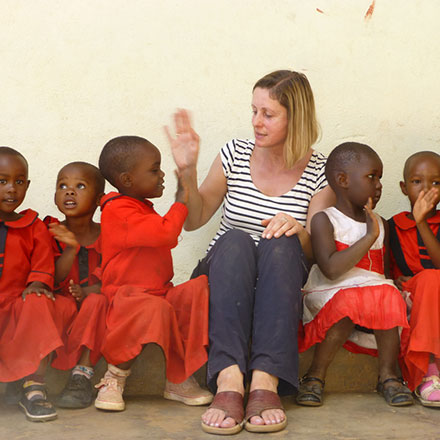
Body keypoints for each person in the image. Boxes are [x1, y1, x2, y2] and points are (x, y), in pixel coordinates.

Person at [165, 70, 334, 434]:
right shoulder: (234, 154)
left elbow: (319, 250)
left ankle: (264, 381)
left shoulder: (320, 171)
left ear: (296, 117)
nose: (257, 122)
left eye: (268, 114)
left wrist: (299, 229)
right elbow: (194, 220)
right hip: (226, 273)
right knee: (238, 240)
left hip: (279, 278)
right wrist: (188, 173)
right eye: (254, 111)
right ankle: (228, 381)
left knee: (281, 241)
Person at [94, 136, 212, 411]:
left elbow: (162, 227)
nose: (161, 175)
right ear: (127, 179)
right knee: (154, 308)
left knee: (198, 289)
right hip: (127, 297)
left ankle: (178, 378)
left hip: (158, 292)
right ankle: (114, 377)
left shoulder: (139, 206)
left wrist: (181, 191)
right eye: (154, 169)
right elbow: (166, 232)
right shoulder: (117, 210)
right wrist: (182, 200)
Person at [298, 142, 413, 408]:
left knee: (386, 294)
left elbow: (380, 273)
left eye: (380, 178)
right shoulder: (325, 220)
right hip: (331, 295)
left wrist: (394, 285)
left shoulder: (381, 223)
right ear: (342, 180)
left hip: (372, 299)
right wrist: (369, 236)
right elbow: (331, 268)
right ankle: (315, 375)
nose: (379, 184)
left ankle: (388, 376)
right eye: (372, 176)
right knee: (352, 300)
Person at [0, 147, 75, 422]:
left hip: (18, 304)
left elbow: (43, 264)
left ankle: (34, 386)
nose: (11, 189)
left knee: (39, 302)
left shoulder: (34, 226)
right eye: (2, 181)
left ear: (28, 185)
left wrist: (38, 284)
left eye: (19, 182)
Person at [44, 161, 107, 408]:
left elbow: (114, 278)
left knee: (98, 300)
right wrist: (70, 248)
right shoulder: (49, 231)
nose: (69, 191)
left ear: (99, 199)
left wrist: (89, 291)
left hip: (96, 311)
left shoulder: (107, 234)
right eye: (63, 185)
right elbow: (54, 279)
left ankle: (82, 374)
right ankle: (33, 377)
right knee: (54, 304)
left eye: (80, 186)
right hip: (64, 307)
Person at [388, 151, 440, 407]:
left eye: (436, 182)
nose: (426, 189)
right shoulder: (393, 226)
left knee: (432, 278)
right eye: (417, 181)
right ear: (403, 187)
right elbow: (385, 268)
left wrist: (421, 222)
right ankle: (428, 371)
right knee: (429, 279)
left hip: (435, 294)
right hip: (409, 297)